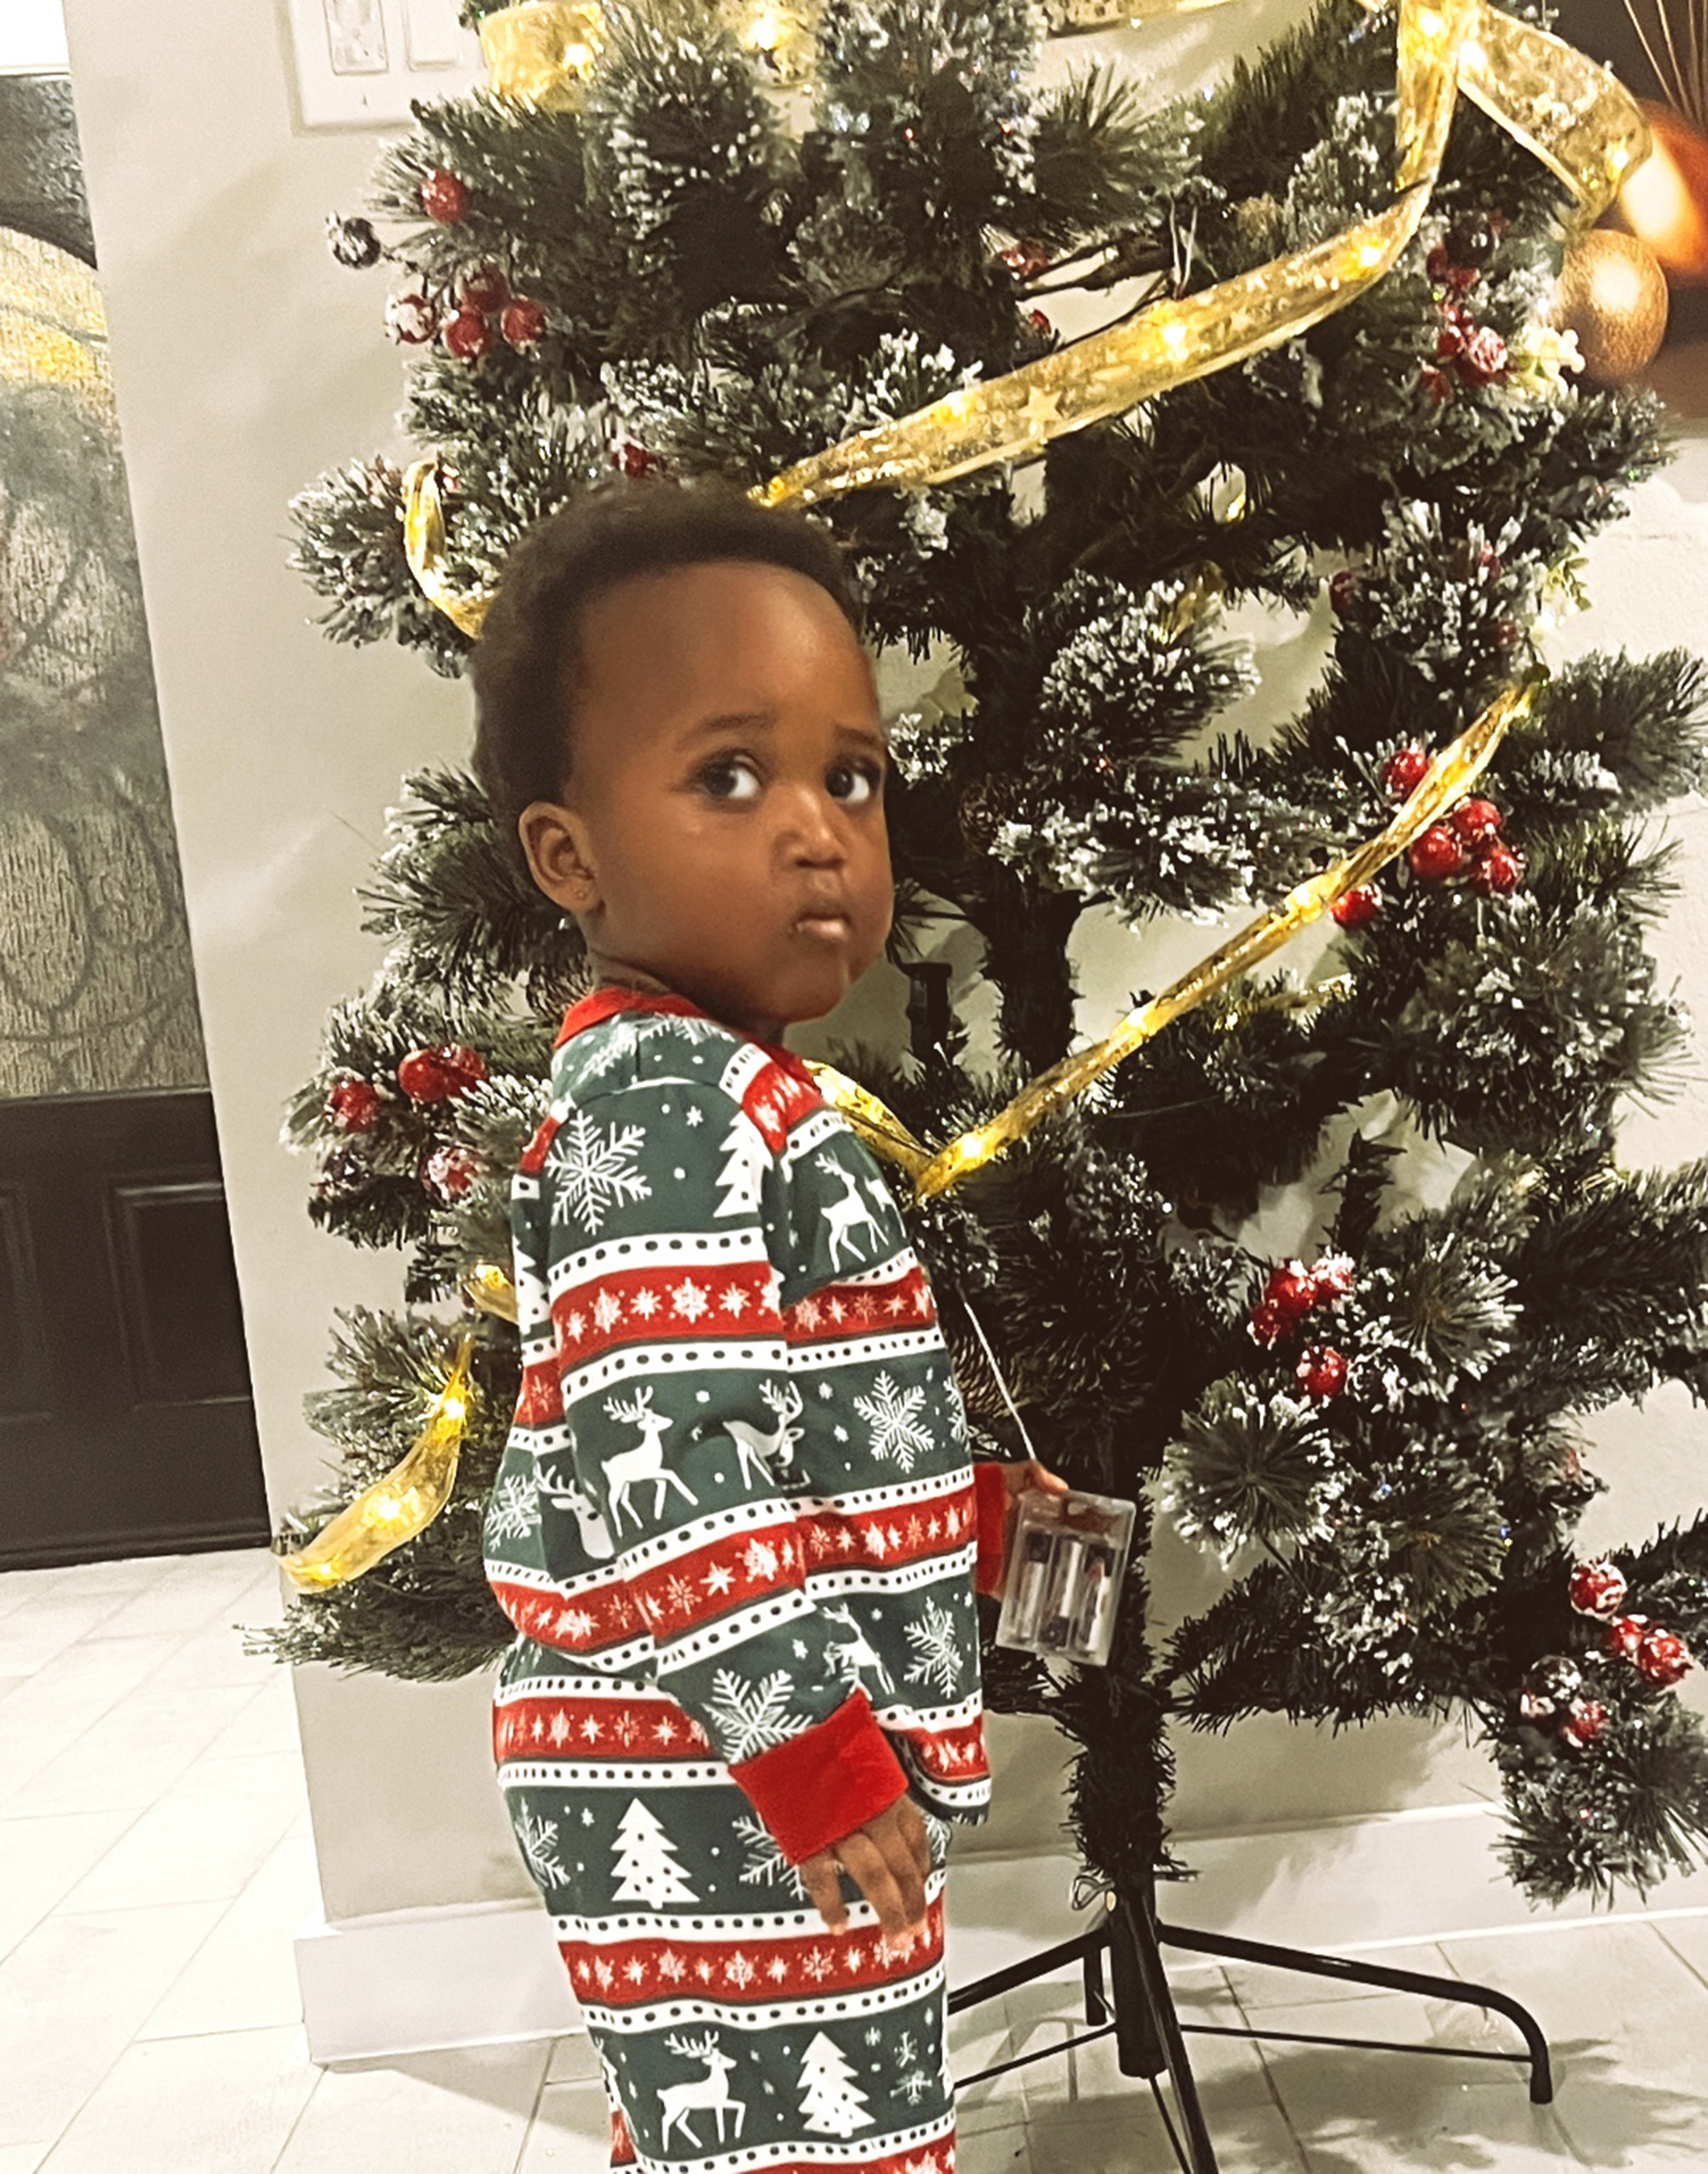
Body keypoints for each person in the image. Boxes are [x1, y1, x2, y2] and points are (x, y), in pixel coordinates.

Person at [476, 480, 1067, 2174]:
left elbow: (776, 1430)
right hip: (710, 1757)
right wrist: (808, 1757)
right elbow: (674, 1479)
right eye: (729, 775)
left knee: (748, 2126)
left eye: (849, 777)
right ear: (570, 856)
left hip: (722, 1743)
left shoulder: (717, 1089)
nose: (817, 831)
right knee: (812, 2138)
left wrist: (960, 1518)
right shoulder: (670, 1108)